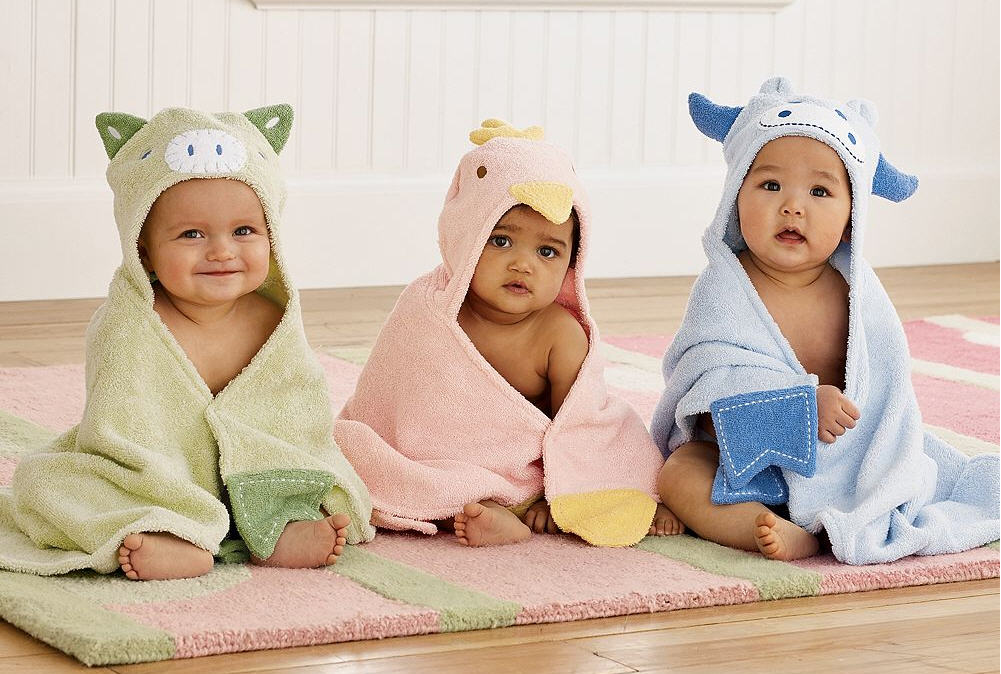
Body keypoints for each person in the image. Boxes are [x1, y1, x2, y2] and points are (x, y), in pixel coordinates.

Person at [0, 105, 374, 580]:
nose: (221, 251)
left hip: (259, 470)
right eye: (191, 234)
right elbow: (119, 426)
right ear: (143, 251)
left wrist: (281, 462)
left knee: (334, 475)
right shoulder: (129, 324)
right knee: (46, 482)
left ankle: (280, 523)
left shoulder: (274, 319)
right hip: (155, 473)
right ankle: (167, 530)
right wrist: (156, 480)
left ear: (272, 236)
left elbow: (296, 411)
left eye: (244, 231)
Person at [651, 79, 999, 564]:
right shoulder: (726, 290)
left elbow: (886, 398)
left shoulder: (859, 297)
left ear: (852, 215)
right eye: (770, 185)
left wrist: (871, 443)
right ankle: (756, 525)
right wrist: (795, 411)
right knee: (679, 474)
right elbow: (703, 397)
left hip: (846, 464)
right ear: (735, 196)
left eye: (820, 191)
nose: (793, 206)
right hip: (747, 462)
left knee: (924, 470)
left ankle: (818, 520)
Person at [336, 119, 677, 548]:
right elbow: (390, 403)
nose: (523, 264)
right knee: (349, 450)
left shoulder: (559, 335)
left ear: (571, 264)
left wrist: (558, 495)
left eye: (547, 251)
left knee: (608, 446)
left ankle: (503, 509)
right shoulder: (428, 310)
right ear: (466, 236)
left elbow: (580, 426)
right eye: (500, 241)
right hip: (435, 459)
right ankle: (464, 502)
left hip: (523, 470)